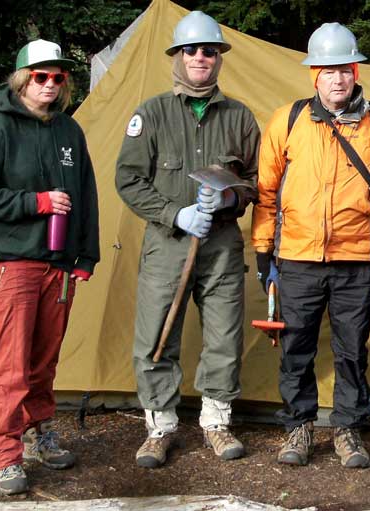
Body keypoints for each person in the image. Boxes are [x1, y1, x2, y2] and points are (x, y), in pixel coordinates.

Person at [251, 22, 370, 469]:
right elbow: (266, 192)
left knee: (350, 348)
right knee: (296, 347)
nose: (337, 79)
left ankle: (347, 429)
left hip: (356, 259)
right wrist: (264, 251)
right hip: (298, 257)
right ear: (313, 75)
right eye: (327, 71)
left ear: (355, 71)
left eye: (344, 69)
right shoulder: (287, 120)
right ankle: (299, 427)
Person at [115, 11, 259, 468]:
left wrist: (230, 201)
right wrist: (176, 212)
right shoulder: (151, 113)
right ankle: (159, 427)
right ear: (177, 56)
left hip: (221, 246)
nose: (201, 57)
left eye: (210, 51)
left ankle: (217, 421)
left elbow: (256, 180)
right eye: (192, 50)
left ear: (219, 59)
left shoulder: (239, 116)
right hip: (168, 243)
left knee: (224, 334)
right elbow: (129, 179)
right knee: (157, 334)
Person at [0, 39, 99, 495]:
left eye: (58, 77)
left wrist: (85, 256)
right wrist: (35, 203)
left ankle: (41, 433)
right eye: (41, 76)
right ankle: (5, 453)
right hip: (13, 262)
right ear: (22, 79)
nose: (50, 84)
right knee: (12, 365)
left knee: (44, 360)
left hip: (59, 266)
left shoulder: (69, 131)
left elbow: (86, 195)